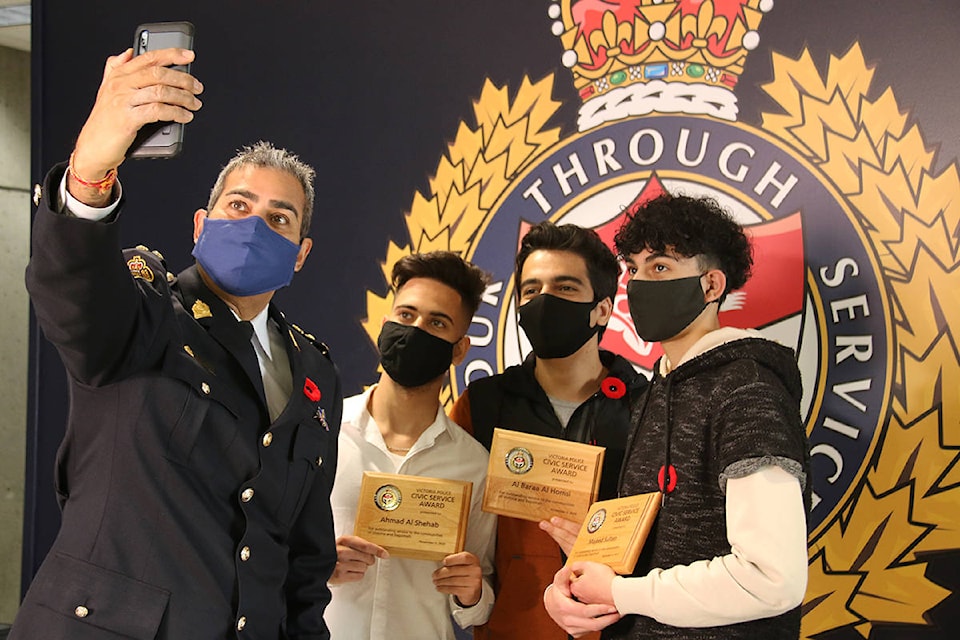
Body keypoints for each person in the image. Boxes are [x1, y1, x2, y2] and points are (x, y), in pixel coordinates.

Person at [13, 47, 342, 639]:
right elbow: (72, 290)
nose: (253, 225)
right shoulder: (146, 310)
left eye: (279, 218)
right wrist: (91, 165)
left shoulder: (315, 369)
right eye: (238, 206)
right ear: (201, 224)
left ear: (301, 253)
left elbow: (304, 561)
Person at [545, 194, 810, 639]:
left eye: (661, 267)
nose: (639, 283)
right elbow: (650, 553)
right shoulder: (655, 393)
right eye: (634, 269)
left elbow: (772, 579)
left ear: (711, 286)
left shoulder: (749, 390)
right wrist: (577, 581)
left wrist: (622, 593)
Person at [449, 221, 646, 640]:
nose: (544, 301)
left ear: (604, 310)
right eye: (531, 290)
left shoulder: (648, 406)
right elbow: (447, 520)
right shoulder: (482, 404)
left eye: (565, 288)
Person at [325, 251, 496, 639]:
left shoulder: (473, 464)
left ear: (459, 350)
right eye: (406, 315)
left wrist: (472, 593)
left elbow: (480, 604)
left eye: (437, 322)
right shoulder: (323, 432)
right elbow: (264, 555)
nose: (416, 329)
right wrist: (316, 565)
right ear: (385, 324)